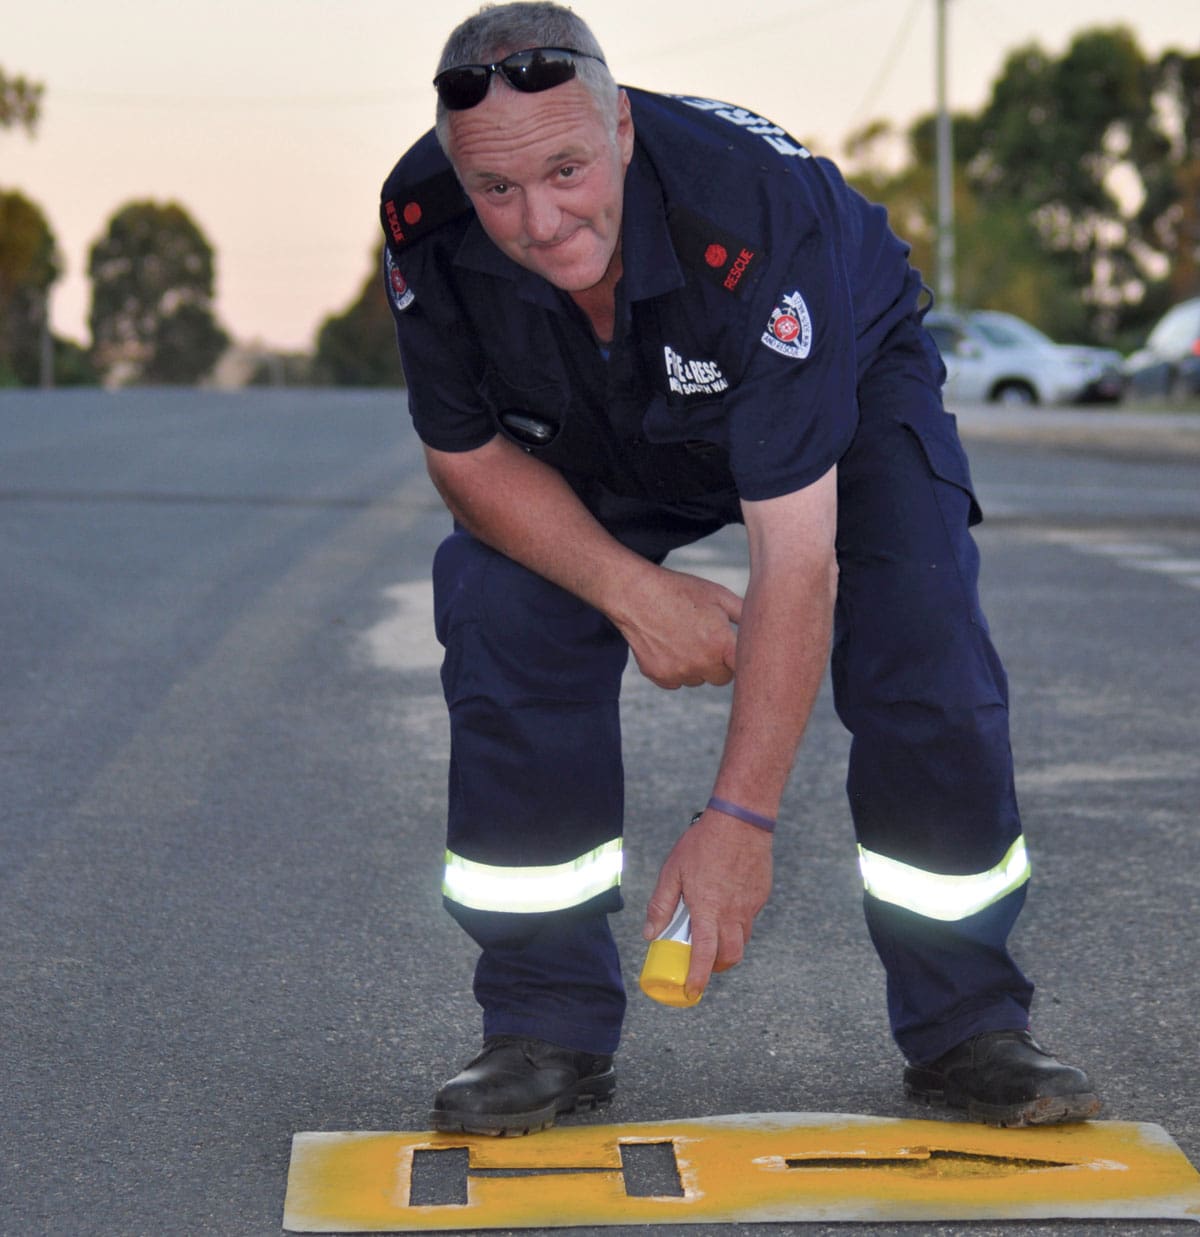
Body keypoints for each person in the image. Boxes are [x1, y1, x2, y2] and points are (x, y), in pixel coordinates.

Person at [379, 1, 1100, 1136]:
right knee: (501, 607)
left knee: (922, 645)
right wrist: (632, 589)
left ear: (621, 129)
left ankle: (970, 1026)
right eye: (497, 189)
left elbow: (795, 561)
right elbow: (466, 456)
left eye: (566, 168)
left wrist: (740, 819)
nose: (539, 219)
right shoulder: (424, 219)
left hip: (842, 394)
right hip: (600, 416)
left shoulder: (746, 214)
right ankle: (541, 1025)